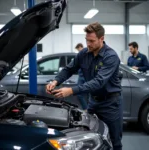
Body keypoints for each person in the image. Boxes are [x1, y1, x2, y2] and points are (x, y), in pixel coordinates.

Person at [46, 22, 123, 150]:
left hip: (111, 104)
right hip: (93, 102)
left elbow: (98, 82)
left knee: (114, 141)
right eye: (87, 40)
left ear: (101, 38)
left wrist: (71, 90)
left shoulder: (111, 56)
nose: (88, 44)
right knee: (89, 137)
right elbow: (69, 69)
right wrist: (55, 81)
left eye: (92, 41)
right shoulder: (84, 54)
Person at [75, 43, 88, 110]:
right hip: (81, 77)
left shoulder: (87, 55)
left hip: (85, 77)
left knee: (84, 94)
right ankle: (86, 109)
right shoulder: (79, 56)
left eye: (78, 49)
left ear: (81, 47)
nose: (78, 51)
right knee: (80, 94)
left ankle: (87, 109)